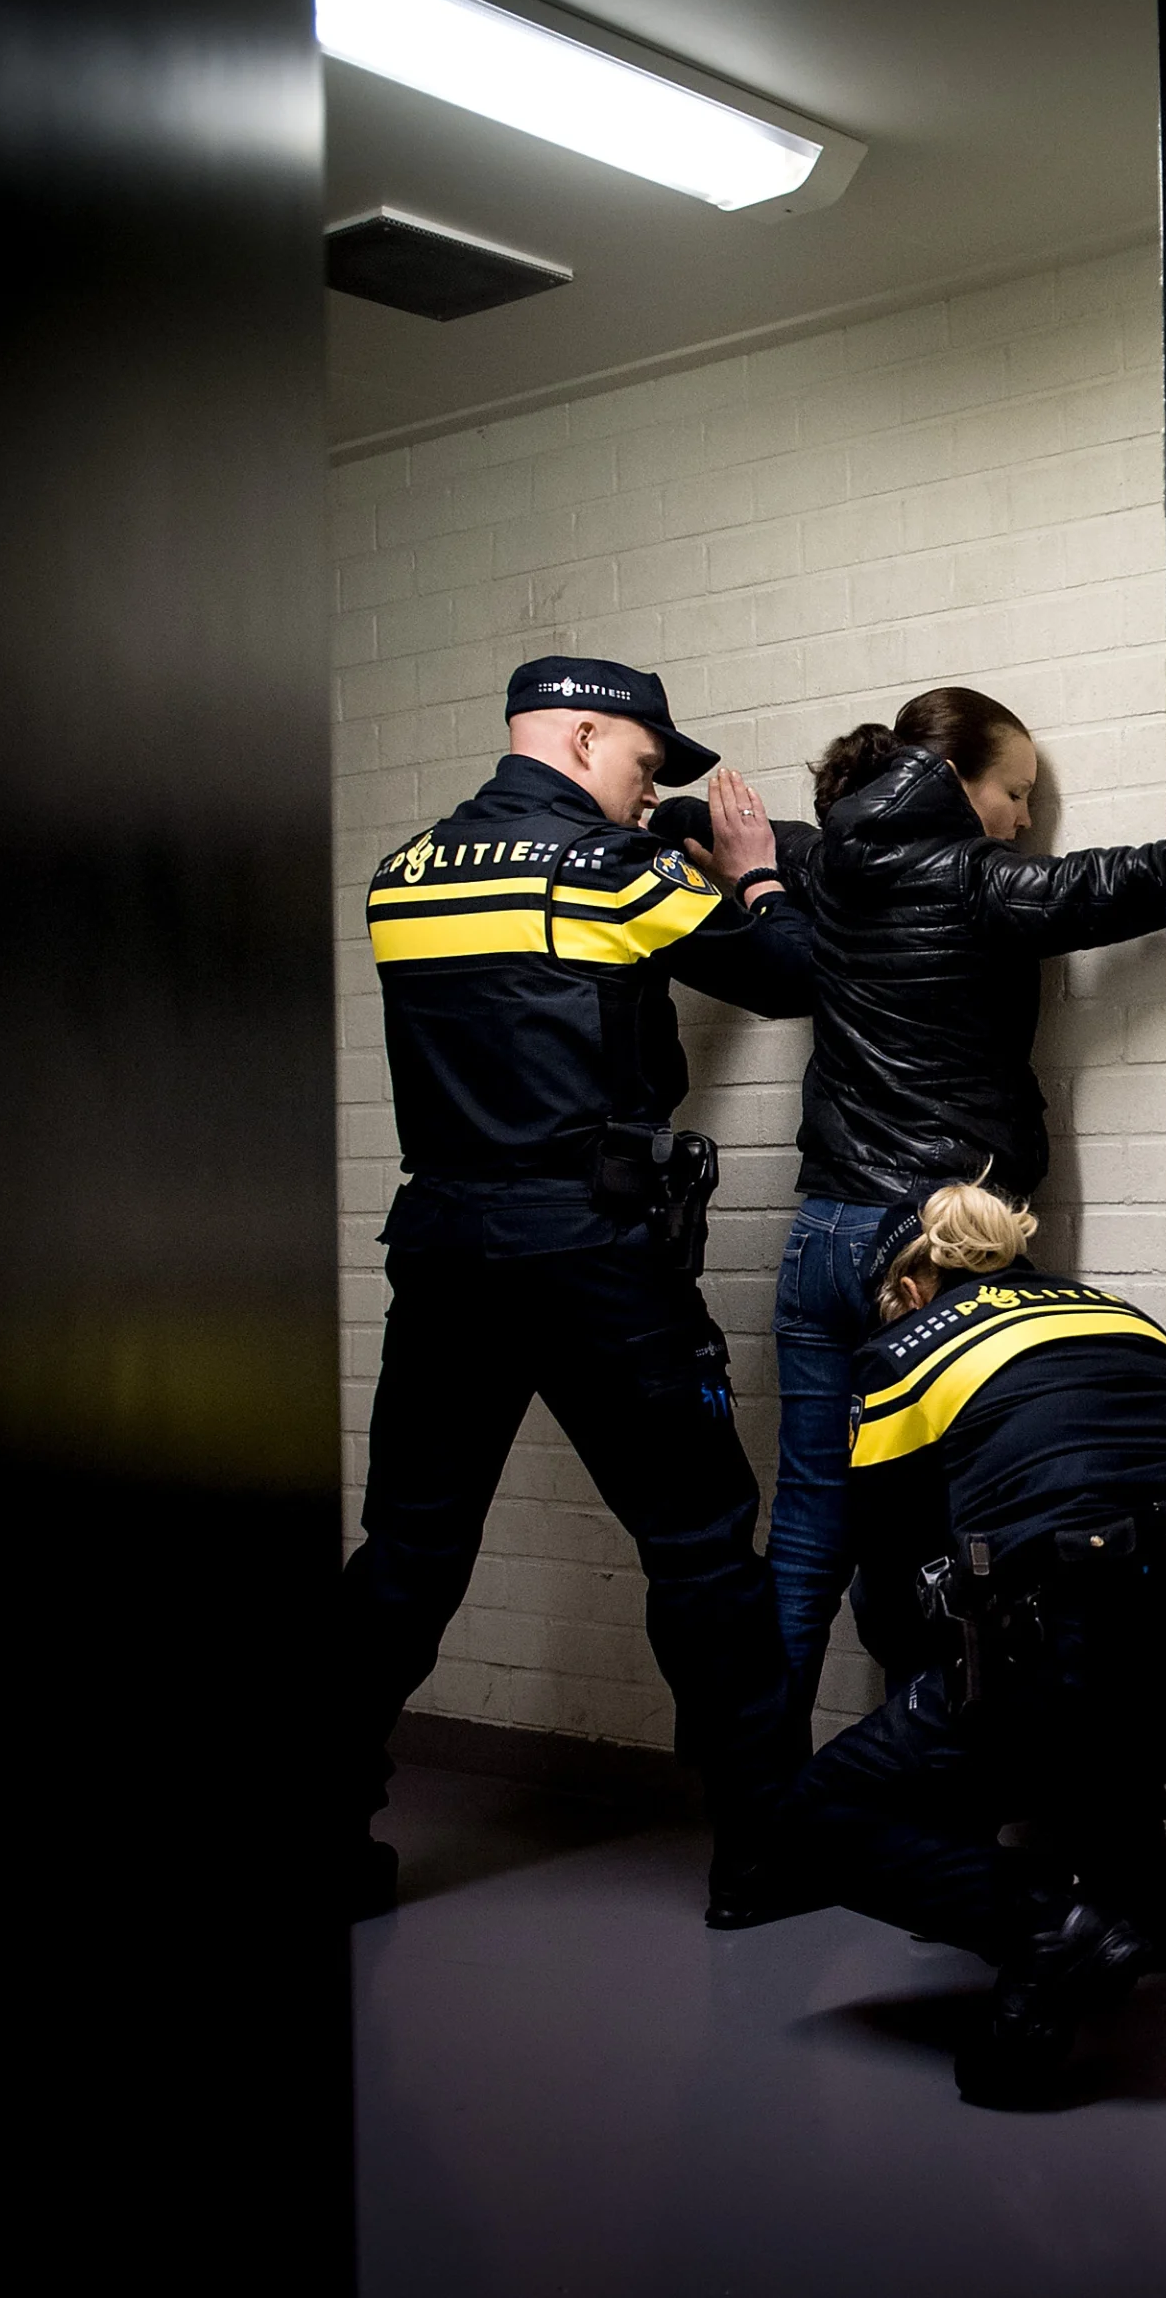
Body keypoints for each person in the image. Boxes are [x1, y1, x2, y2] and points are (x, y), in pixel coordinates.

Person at [341, 654, 818, 1927]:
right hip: (596, 1257)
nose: (647, 786)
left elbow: (530, 971)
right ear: (586, 734)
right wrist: (756, 869)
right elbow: (784, 974)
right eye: (645, 764)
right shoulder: (613, 873)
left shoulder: (401, 875)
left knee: (409, 1549)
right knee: (702, 1547)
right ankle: (762, 1849)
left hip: (444, 1249)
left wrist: (654, 832)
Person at [769, 687, 1166, 1730]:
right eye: (1014, 792)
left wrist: (701, 832)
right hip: (936, 1244)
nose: (1024, 818)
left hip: (823, 1232)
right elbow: (1123, 884)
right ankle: (931, 1794)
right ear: (955, 782)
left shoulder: (825, 862)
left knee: (814, 1528)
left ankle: (754, 1826)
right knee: (944, 1535)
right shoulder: (974, 879)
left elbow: (745, 834)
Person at [776, 1177, 1166, 2105]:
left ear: (911, 1282)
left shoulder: (902, 1355)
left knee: (814, 1820)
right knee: (1095, 1655)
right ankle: (1144, 1904)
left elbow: (883, 1571)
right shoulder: (1123, 1317)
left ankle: (1052, 1927)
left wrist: (930, 1719)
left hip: (1046, 1673)